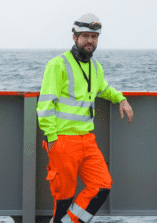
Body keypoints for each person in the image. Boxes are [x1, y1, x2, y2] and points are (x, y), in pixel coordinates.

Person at [36, 13, 133, 223]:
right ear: (75, 37)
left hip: (87, 140)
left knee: (102, 185)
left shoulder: (95, 67)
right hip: (62, 140)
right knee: (63, 198)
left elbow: (104, 89)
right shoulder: (57, 64)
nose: (90, 41)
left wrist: (121, 99)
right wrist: (52, 138)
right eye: (86, 36)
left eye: (94, 37)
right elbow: (45, 104)